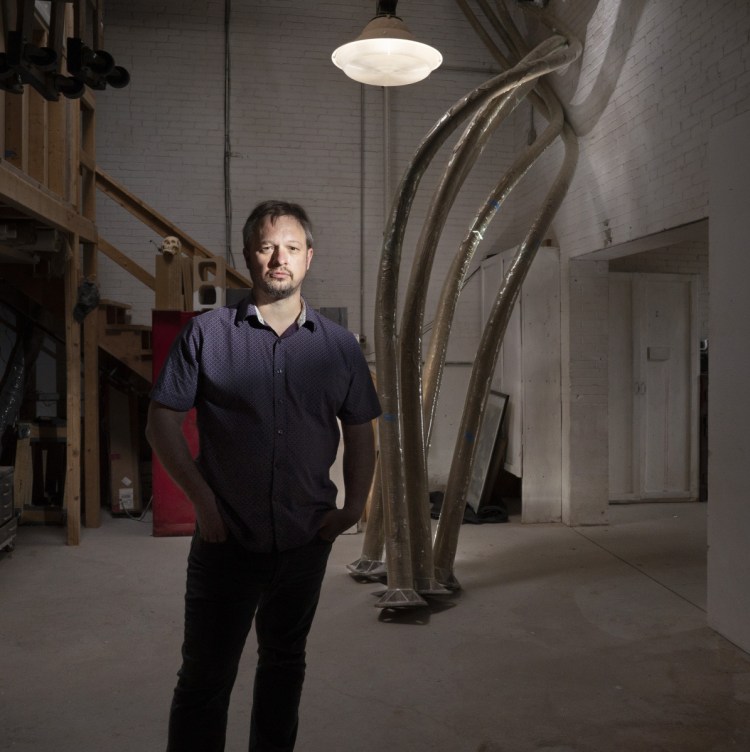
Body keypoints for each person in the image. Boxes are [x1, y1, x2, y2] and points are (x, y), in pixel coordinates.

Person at [146, 200, 381, 752]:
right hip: (226, 541)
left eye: (292, 247)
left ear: (309, 258)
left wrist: (353, 507)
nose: (280, 258)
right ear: (247, 256)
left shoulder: (340, 348)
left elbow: (363, 431)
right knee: (205, 680)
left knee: (284, 665)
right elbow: (162, 422)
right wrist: (203, 504)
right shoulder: (207, 335)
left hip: (303, 541)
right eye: (267, 246)